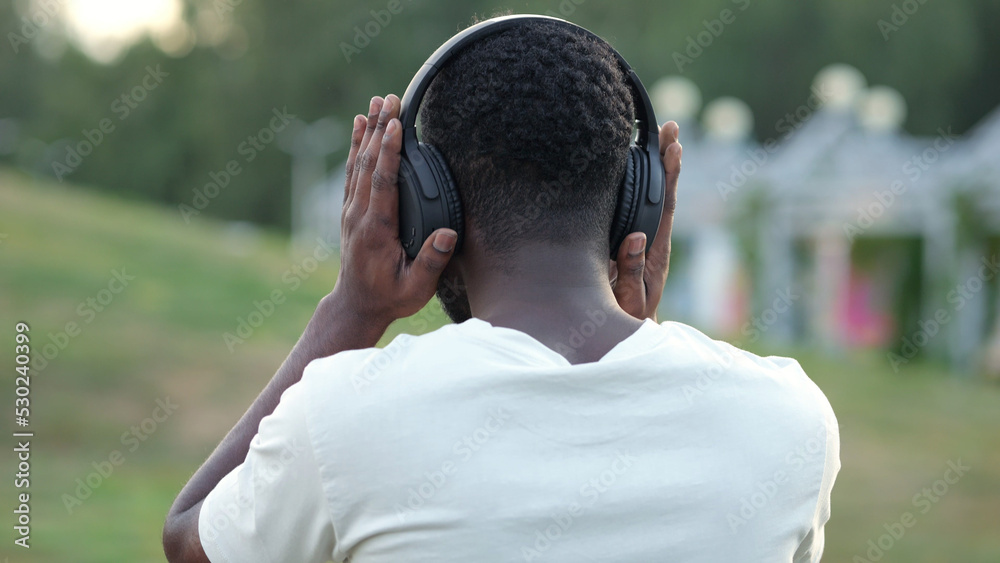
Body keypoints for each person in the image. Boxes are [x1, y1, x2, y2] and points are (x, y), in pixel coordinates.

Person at [163, 16, 839, 563]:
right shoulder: (791, 420)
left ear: (425, 204)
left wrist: (354, 309)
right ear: (642, 202)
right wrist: (639, 336)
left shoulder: (343, 417)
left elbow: (190, 538)